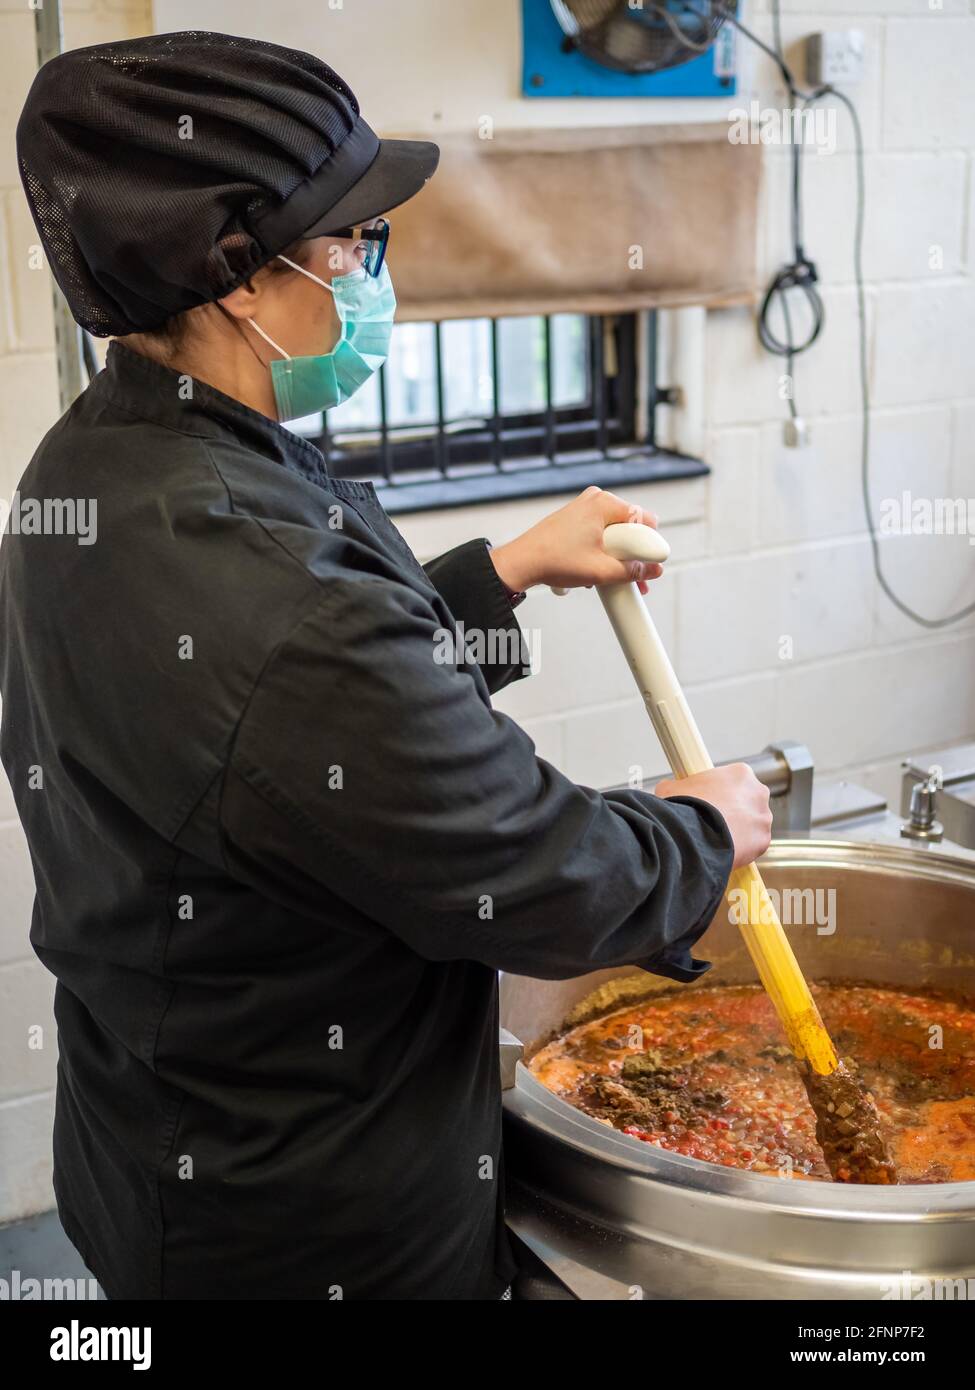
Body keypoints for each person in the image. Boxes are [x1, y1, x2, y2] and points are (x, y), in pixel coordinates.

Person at [1, 32, 771, 1300]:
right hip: (316, 1219)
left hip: (159, 1131)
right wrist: (697, 833)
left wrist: (499, 573)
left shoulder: (92, 469)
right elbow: (528, 873)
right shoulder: (271, 598)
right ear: (242, 278)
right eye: (354, 240)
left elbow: (283, 746)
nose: (370, 275)